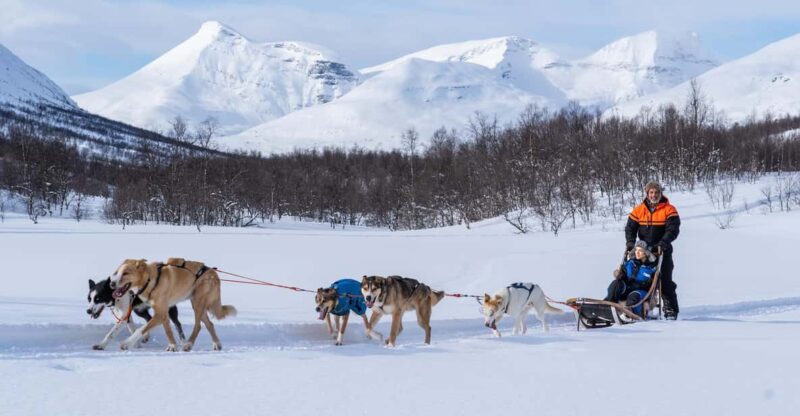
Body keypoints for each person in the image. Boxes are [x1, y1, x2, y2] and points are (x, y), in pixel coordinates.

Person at [625, 181, 680, 319]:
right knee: (632, 277)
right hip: (641, 251)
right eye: (651, 192)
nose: (653, 195)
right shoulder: (639, 210)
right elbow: (630, 227)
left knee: (665, 281)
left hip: (662, 250)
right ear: (647, 193)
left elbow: (672, 229)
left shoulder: (669, 209)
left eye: (656, 192)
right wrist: (630, 242)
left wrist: (663, 242)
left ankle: (671, 309)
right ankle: (627, 302)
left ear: (660, 193)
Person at [605, 240, 658, 317]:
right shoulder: (630, 263)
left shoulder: (651, 268)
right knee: (615, 284)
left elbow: (654, 285)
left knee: (633, 296)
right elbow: (622, 273)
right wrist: (619, 274)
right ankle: (607, 306)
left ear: (646, 252)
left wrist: (649, 301)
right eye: (636, 249)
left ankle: (631, 315)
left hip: (641, 292)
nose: (637, 252)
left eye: (640, 250)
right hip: (627, 288)